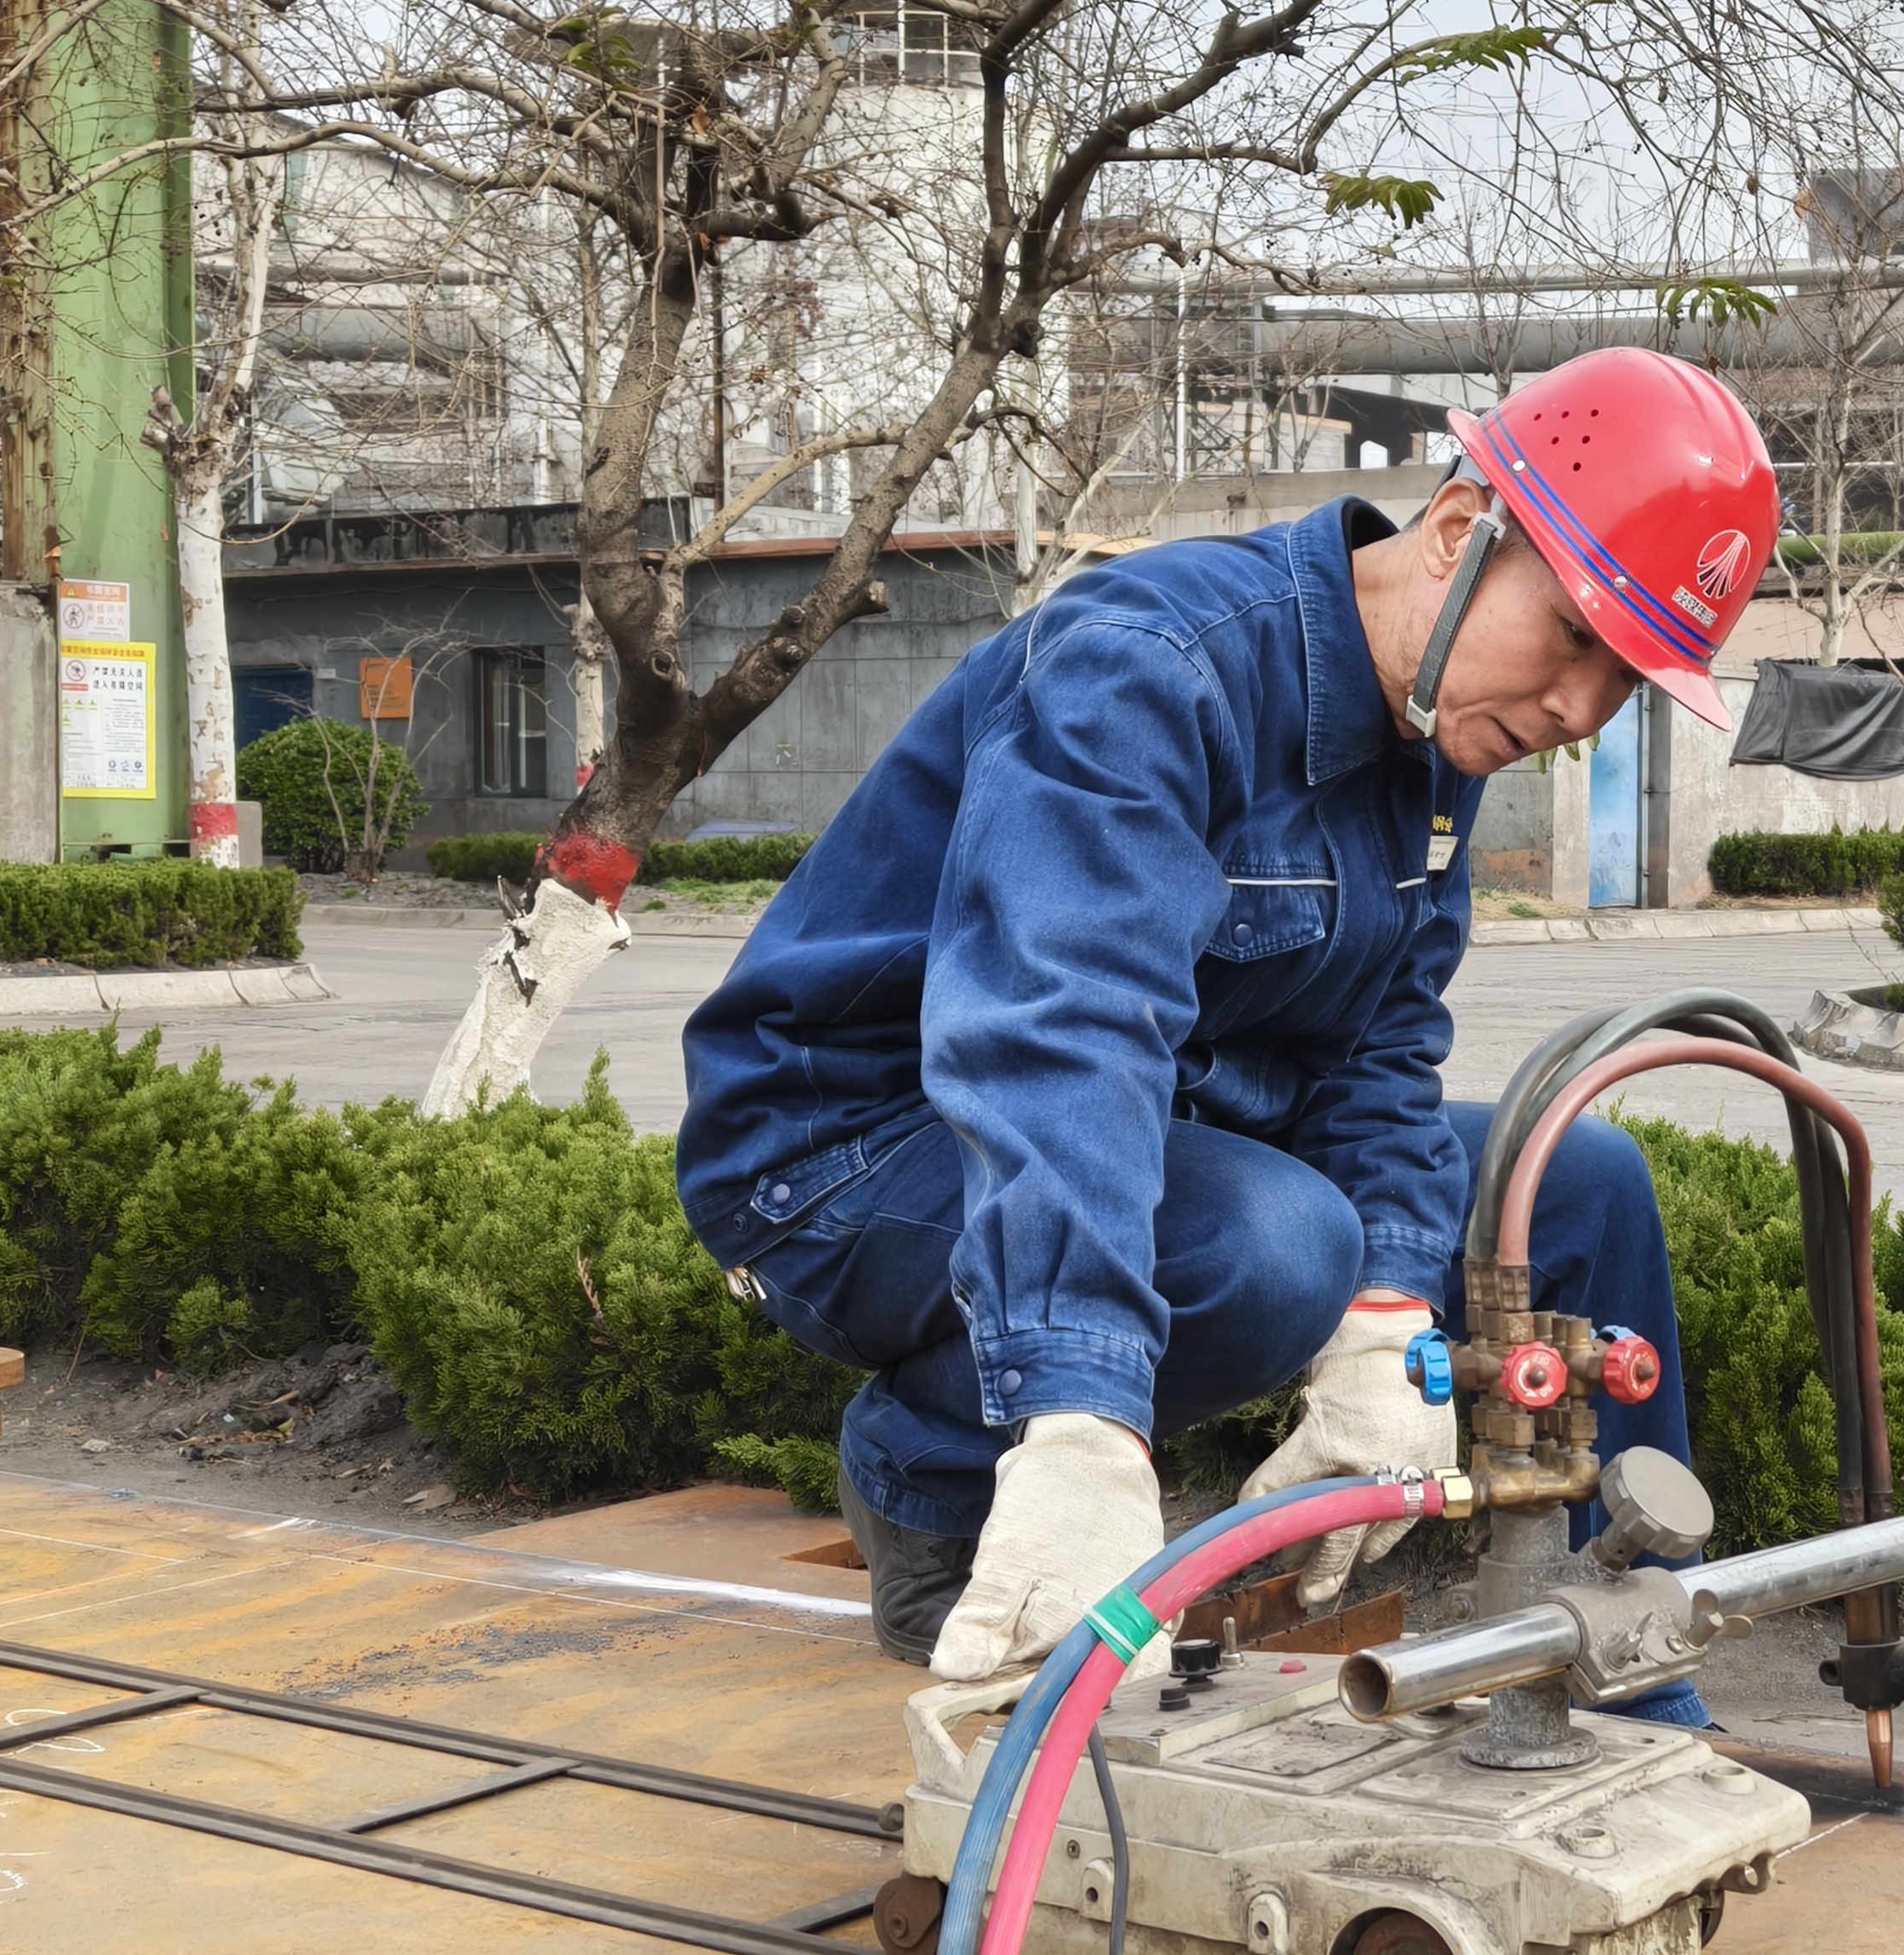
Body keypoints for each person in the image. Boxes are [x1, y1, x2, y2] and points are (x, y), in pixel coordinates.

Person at [675, 349, 1778, 1721]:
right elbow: (1058, 1032)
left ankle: (1629, 1687)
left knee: (1576, 1176)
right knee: (1271, 1245)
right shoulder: (1152, 665)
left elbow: (1380, 1054)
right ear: (1456, 534)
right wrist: (1082, 1420)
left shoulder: (1438, 743)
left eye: (1628, 684)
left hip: (1135, 1113)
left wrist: (1387, 1318)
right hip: (845, 1148)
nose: (1580, 713)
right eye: (1576, 640)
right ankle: (934, 1470)